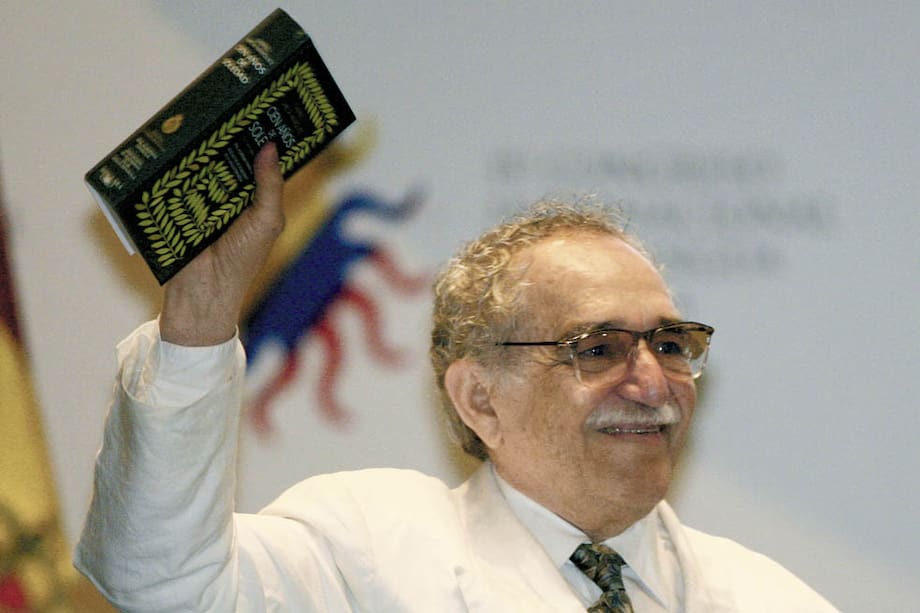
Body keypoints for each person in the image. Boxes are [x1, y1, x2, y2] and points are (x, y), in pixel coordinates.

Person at [75, 144, 838, 611]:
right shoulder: (365, 550)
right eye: (598, 348)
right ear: (480, 397)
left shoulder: (767, 597)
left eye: (670, 343)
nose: (652, 381)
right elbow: (161, 579)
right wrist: (200, 321)